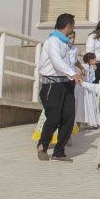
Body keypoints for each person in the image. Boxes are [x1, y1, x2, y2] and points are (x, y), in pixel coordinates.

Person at [36, 14, 84, 161]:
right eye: (73, 25)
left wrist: (75, 73)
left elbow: (69, 62)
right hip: (52, 84)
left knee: (69, 117)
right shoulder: (52, 41)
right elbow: (57, 62)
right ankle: (42, 146)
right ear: (68, 26)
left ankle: (59, 151)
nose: (74, 28)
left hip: (66, 83)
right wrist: (73, 74)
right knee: (53, 117)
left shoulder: (66, 43)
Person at [75, 52, 100, 129]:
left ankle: (85, 123)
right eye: (95, 59)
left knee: (85, 105)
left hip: (85, 88)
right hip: (84, 88)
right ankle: (87, 123)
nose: (96, 60)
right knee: (85, 105)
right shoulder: (85, 67)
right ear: (91, 60)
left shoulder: (89, 67)